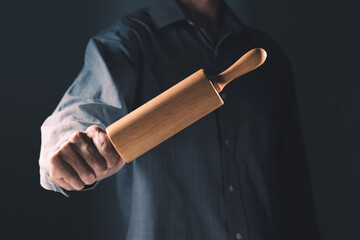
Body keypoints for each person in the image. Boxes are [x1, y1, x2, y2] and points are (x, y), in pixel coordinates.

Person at [39, 0, 319, 239]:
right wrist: (69, 149)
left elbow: (294, 190)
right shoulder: (125, 44)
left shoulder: (270, 59)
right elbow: (73, 121)